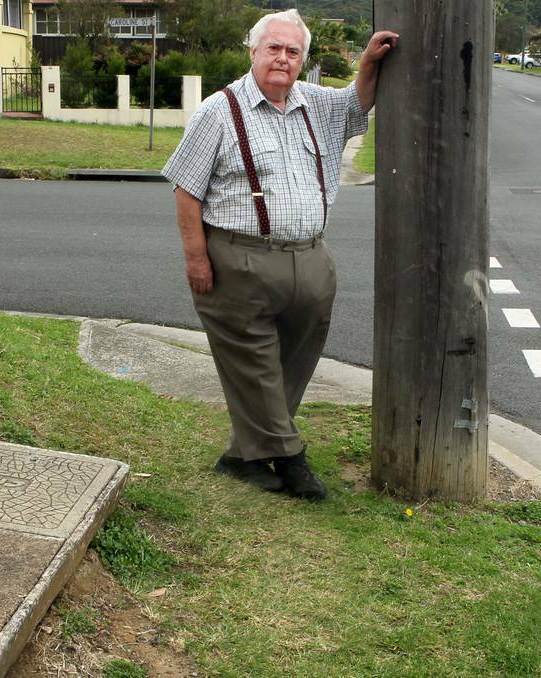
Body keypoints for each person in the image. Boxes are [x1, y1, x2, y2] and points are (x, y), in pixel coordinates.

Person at [161, 10, 398, 500]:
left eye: (293, 52)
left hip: (311, 258)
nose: (283, 59)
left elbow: (359, 101)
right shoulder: (218, 111)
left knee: (293, 364)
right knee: (254, 365)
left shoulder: (318, 104)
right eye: (273, 48)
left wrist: (370, 62)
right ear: (253, 51)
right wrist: (196, 260)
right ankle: (291, 461)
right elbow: (187, 191)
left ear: (302, 60)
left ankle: (241, 456)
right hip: (238, 260)